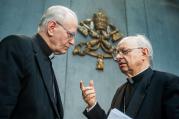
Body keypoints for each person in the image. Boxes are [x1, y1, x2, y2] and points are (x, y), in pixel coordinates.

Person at [0, 5, 78, 119]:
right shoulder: (16, 46)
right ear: (51, 27)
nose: (72, 42)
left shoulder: (45, 58)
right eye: (70, 34)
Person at [80, 35, 179, 119]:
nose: (118, 57)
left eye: (124, 51)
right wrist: (92, 104)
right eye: (117, 53)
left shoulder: (167, 83)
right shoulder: (120, 90)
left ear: (144, 53)